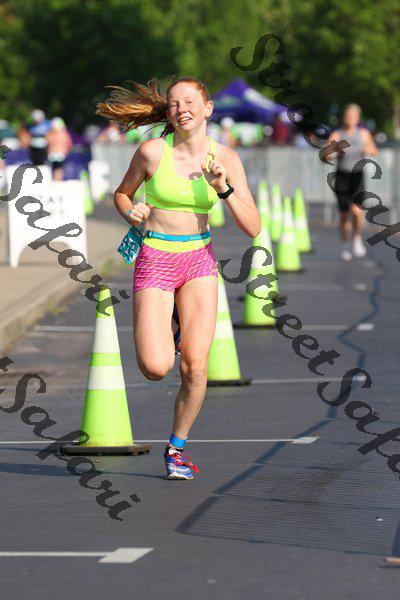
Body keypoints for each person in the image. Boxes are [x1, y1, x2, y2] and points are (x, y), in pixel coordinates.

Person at [96, 76, 260, 480]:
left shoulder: (226, 159)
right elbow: (121, 193)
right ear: (168, 113)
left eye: (189, 101)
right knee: (155, 367)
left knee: (195, 368)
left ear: (207, 108)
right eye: (174, 103)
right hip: (156, 256)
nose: (181, 108)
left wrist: (223, 189)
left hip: (199, 260)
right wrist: (130, 210)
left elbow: (253, 226)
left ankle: (176, 449)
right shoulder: (153, 152)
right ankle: (174, 323)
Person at [323, 103, 378, 261]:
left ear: (358, 118)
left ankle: (357, 238)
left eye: (353, 116)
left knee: (357, 212)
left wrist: (368, 149)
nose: (350, 119)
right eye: (348, 116)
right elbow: (324, 155)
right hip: (342, 177)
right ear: (344, 117)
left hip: (357, 176)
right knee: (344, 215)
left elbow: (374, 150)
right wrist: (333, 151)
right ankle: (346, 243)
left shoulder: (363, 134)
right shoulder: (337, 134)